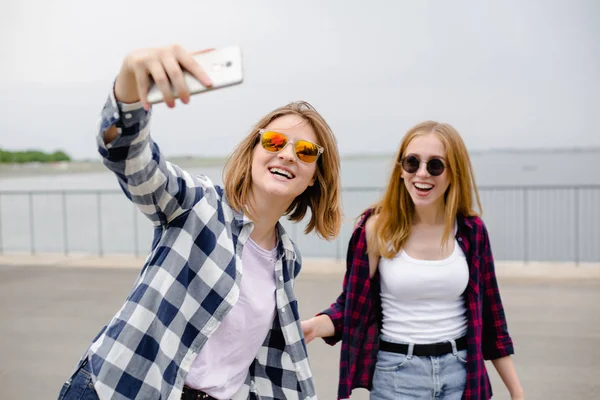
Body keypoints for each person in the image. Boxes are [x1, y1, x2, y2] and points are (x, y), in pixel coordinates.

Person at [57, 44, 342, 400]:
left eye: (304, 151)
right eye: (274, 141)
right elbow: (131, 160)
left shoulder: (288, 258)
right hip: (122, 390)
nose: (286, 153)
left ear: (315, 175)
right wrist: (130, 84)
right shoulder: (197, 203)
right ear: (253, 150)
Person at [301, 121, 524, 400]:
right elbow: (353, 304)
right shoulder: (375, 228)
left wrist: (517, 392)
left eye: (435, 165)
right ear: (400, 170)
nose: (422, 174)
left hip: (462, 374)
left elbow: (492, 319)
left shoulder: (471, 231)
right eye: (412, 162)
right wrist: (315, 325)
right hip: (397, 375)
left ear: (453, 172)